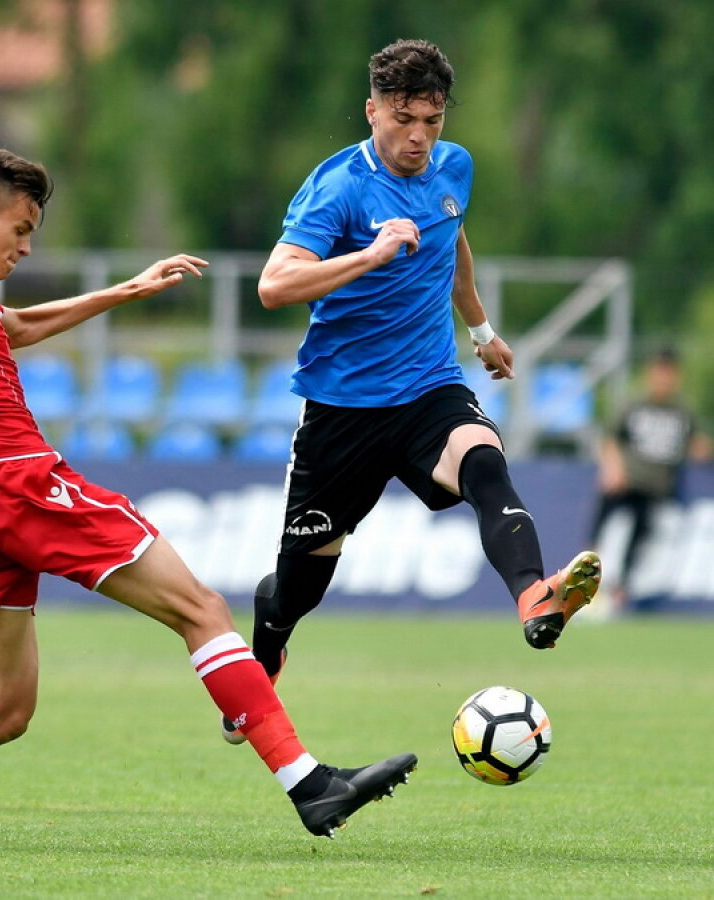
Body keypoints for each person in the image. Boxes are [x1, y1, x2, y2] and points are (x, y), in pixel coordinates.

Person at [0, 149, 416, 846]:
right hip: (17, 482)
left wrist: (121, 293)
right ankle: (309, 784)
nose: (26, 247)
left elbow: (11, 329)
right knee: (202, 609)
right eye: (20, 230)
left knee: (8, 706)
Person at [224, 39, 603, 744]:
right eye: (403, 118)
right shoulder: (338, 187)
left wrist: (482, 330)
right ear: (373, 112)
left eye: (431, 119)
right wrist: (366, 256)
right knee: (297, 587)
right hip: (341, 411)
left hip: (429, 388)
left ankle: (533, 595)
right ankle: (267, 649)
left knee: (486, 463)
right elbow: (274, 285)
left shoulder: (453, 168)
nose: (419, 136)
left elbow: (451, 237)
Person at [589, 346, 710, 614]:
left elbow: (697, 445)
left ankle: (618, 594)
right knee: (599, 530)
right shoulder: (635, 405)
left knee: (638, 541)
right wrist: (612, 468)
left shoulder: (682, 411)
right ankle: (581, 582)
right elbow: (611, 437)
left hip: (655, 489)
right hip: (625, 481)